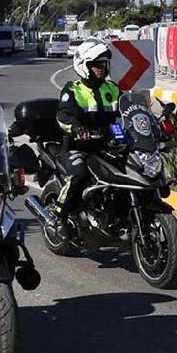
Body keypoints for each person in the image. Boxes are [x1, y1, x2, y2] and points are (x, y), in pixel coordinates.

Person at [53, 39, 120, 239]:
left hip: (106, 146)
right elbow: (63, 116)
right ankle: (60, 216)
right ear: (84, 66)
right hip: (77, 146)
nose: (101, 69)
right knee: (79, 175)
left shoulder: (112, 89)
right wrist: (77, 128)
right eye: (96, 65)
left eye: (103, 64)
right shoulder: (73, 90)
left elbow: (124, 113)